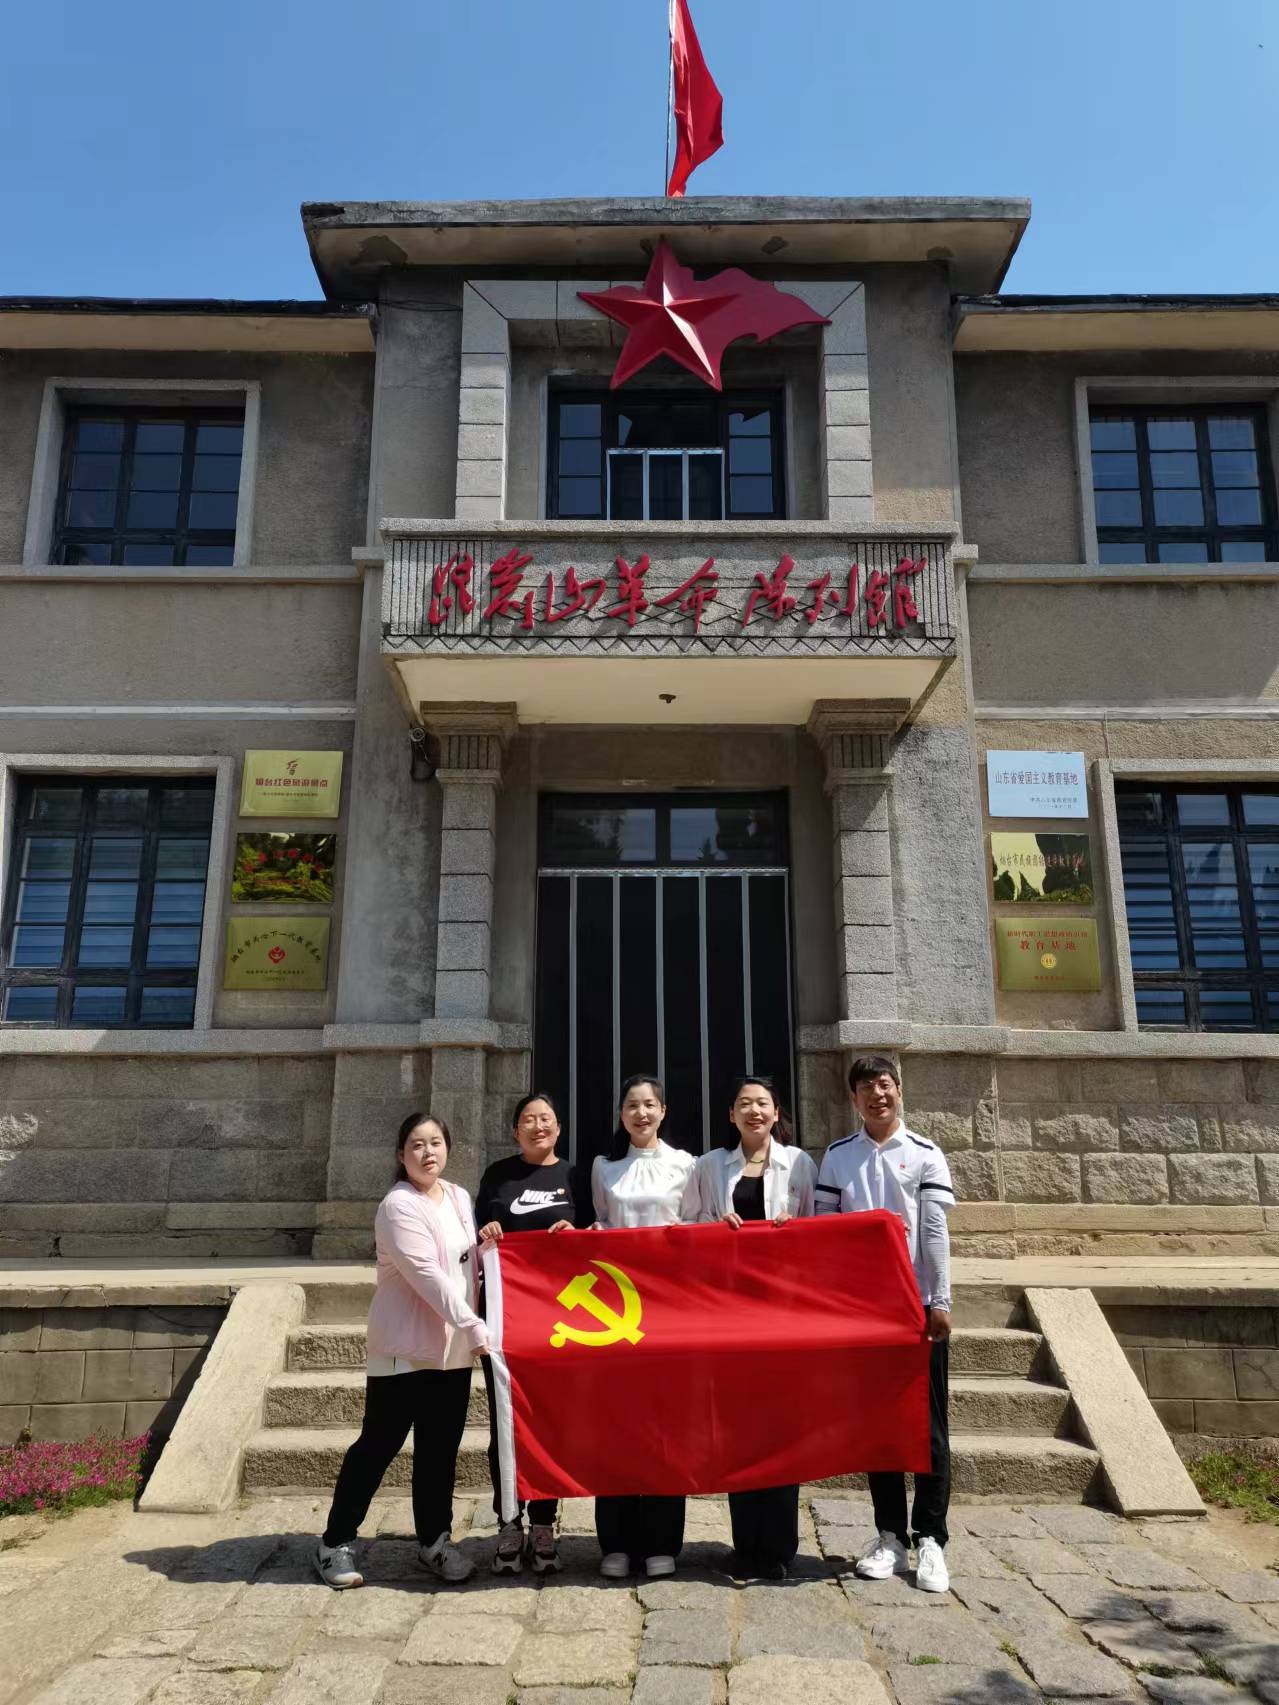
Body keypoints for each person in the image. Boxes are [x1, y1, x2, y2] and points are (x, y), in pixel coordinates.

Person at [314, 1111, 491, 1590]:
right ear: (401, 1154)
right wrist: (473, 1323)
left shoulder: (458, 1197)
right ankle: (334, 1542)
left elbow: (466, 1265)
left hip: (451, 1350)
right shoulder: (397, 1206)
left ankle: (435, 1541)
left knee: (440, 1450)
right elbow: (426, 1275)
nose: (428, 1152)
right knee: (379, 1445)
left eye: (435, 1142)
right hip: (404, 1350)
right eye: (417, 1144)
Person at [815, 1054, 955, 1594]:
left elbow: (935, 1232)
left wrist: (940, 1300)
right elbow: (826, 1234)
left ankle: (932, 1537)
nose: (878, 1094)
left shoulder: (925, 1154)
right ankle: (890, 1535)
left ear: (898, 1091)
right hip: (864, 1312)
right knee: (880, 1426)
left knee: (928, 1425)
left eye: (885, 1084)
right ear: (853, 1100)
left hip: (915, 1305)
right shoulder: (838, 1157)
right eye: (867, 1088)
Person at [692, 1074, 817, 1582]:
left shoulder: (800, 1163)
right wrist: (714, 1231)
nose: (754, 1111)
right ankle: (746, 1543)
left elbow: (819, 1231)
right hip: (729, 1313)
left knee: (779, 1426)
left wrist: (794, 1232)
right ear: (731, 1115)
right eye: (744, 1104)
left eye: (762, 1103)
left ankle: (779, 1546)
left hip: (783, 1313)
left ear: (776, 1112)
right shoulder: (708, 1166)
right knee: (739, 1428)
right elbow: (689, 1225)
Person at [589, 1072, 697, 1580]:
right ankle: (614, 1541)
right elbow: (601, 1225)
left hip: (668, 1311)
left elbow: (697, 1229)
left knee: (663, 1428)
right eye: (632, 1105)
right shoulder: (604, 1168)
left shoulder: (686, 1165)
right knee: (614, 1426)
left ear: (663, 1111)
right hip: (616, 1314)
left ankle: (661, 1540)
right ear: (621, 1114)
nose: (641, 1113)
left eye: (650, 1104)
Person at [475, 1090, 580, 1576]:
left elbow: (596, 1236)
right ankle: (508, 1521)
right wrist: (489, 1232)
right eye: (529, 1120)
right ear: (515, 1131)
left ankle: (542, 1523)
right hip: (505, 1318)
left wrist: (574, 1236)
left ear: (559, 1128)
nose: (539, 1126)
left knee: (549, 1421)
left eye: (547, 1118)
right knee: (505, 1421)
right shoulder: (498, 1175)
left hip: (558, 1322)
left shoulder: (574, 1177)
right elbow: (476, 1230)